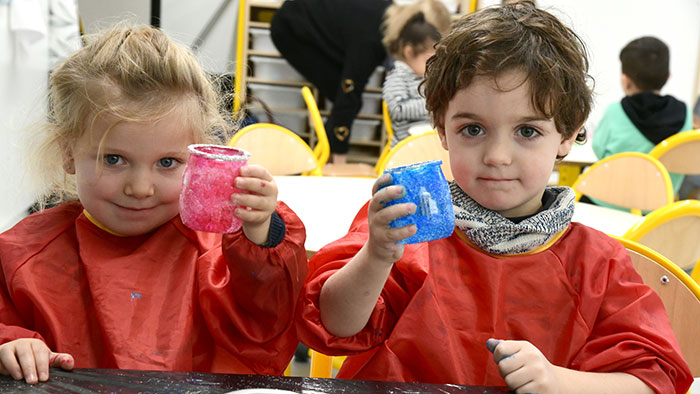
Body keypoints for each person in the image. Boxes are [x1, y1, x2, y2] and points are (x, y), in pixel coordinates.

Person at [295, 2, 692, 393]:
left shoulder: (596, 265)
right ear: (442, 129)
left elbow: (653, 379)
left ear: (568, 135)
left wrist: (559, 381)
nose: (497, 156)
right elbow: (333, 324)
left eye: (527, 131)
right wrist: (377, 256)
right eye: (473, 129)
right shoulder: (403, 230)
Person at [0, 25, 308, 384]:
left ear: (197, 161)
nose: (141, 188)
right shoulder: (24, 255)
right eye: (114, 159)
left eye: (166, 163)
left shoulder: (218, 253)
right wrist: (10, 343)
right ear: (69, 153)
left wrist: (260, 237)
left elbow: (267, 326)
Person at [270, 0, 451, 164]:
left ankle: (330, 153)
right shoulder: (371, 41)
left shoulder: (391, 20)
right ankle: (333, 160)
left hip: (321, 24)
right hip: (291, 26)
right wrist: (341, 163)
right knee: (347, 97)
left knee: (345, 95)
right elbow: (349, 94)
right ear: (412, 47)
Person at [592, 36, 693, 199]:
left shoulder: (615, 111)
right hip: (657, 210)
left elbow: (599, 151)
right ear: (668, 76)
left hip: (608, 202)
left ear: (625, 80)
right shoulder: (685, 113)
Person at [382, 3, 447, 146]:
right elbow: (397, 109)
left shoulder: (424, 76)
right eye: (427, 60)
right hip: (406, 144)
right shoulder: (398, 76)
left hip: (425, 140)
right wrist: (431, 104)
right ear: (409, 52)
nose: (432, 65)